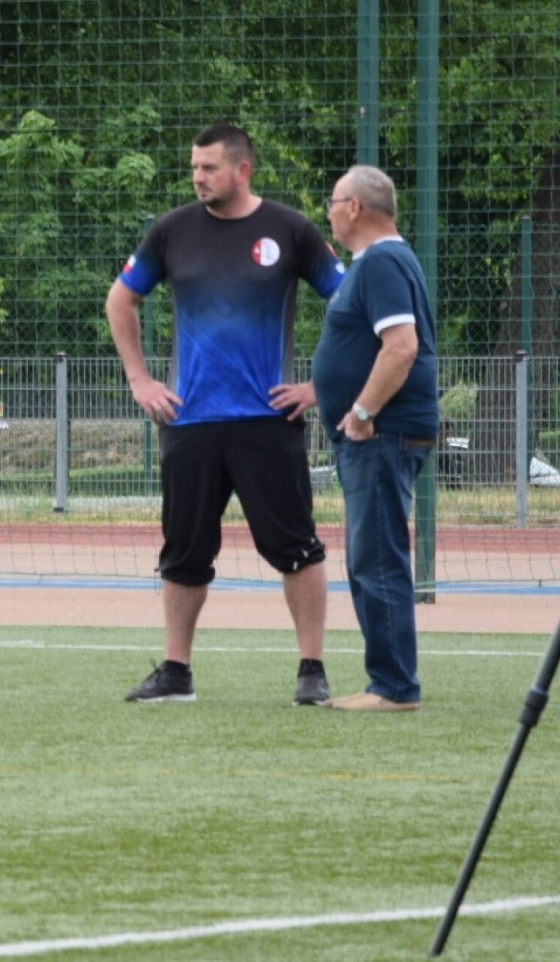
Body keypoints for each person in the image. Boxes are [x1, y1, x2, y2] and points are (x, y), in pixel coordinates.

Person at [106, 122, 344, 706]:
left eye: (209, 167)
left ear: (242, 170)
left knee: (296, 546)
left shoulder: (291, 231)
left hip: (268, 422)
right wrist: (140, 380)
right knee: (183, 552)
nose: (197, 176)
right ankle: (175, 673)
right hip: (189, 422)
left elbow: (352, 305)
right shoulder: (171, 231)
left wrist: (319, 386)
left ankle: (311, 670)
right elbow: (121, 299)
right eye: (193, 166)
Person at [279, 165, 438, 712]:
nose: (327, 210)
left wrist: (364, 410)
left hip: (381, 433)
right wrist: (321, 389)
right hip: (380, 432)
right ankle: (391, 681)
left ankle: (394, 688)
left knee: (376, 559)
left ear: (355, 208)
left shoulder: (384, 262)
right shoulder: (378, 264)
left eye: (333, 201)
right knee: (373, 556)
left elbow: (401, 346)